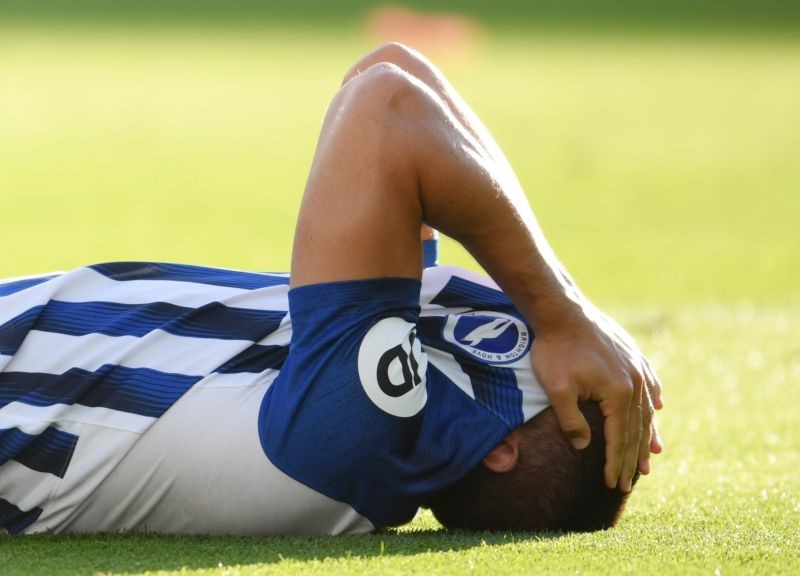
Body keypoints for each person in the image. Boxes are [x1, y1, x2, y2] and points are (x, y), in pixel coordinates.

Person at [0, 43, 661, 536]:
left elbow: (387, 111)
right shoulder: (403, 392)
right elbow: (396, 65)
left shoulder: (362, 434)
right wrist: (567, 317)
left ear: (498, 448)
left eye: (528, 351)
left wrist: (563, 311)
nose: (517, 320)